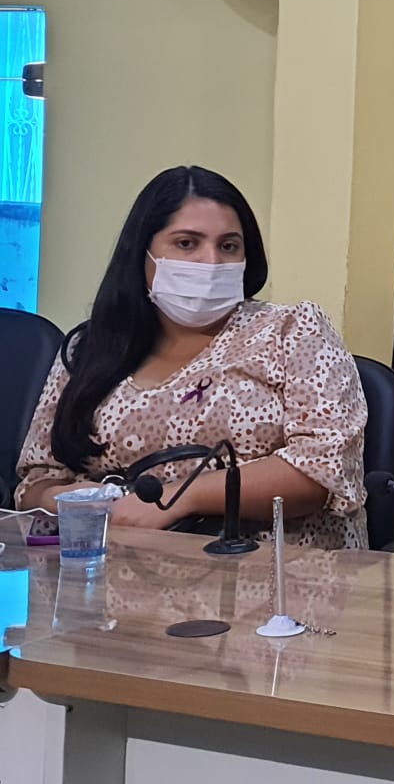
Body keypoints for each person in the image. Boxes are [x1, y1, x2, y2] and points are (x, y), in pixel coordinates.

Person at [16, 166, 368, 549]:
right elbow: (36, 480)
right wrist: (62, 498)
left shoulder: (293, 331)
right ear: (143, 252)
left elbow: (321, 470)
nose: (210, 261)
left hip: (272, 570)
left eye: (228, 246)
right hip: (111, 565)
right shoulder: (89, 348)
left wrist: (180, 499)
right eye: (187, 243)